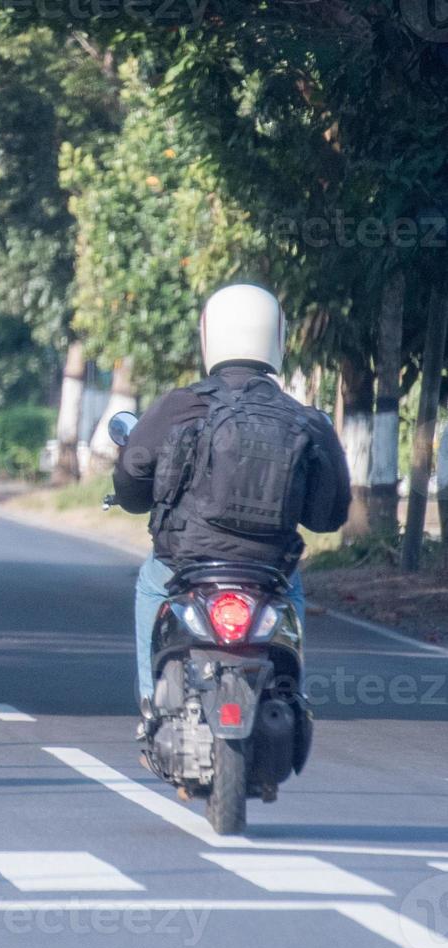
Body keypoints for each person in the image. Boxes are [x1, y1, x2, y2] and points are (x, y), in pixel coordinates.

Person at [112, 283, 350, 719]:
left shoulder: (179, 406)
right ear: (277, 338)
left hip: (184, 562)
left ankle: (152, 707)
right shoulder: (305, 419)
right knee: (291, 587)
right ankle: (291, 694)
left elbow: (130, 485)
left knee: (150, 583)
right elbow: (329, 516)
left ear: (209, 335)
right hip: (271, 567)